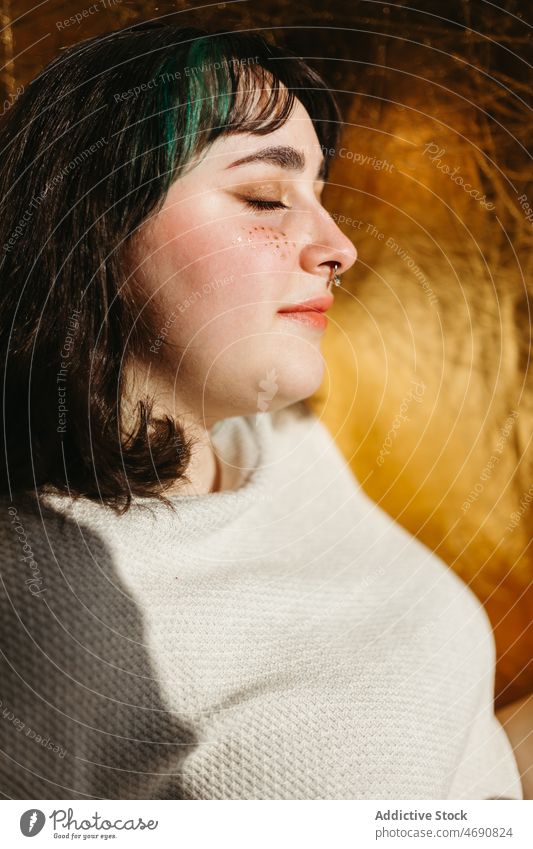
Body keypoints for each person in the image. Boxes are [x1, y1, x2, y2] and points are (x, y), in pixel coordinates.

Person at [0, 22, 524, 800]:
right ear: (89, 226)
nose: (339, 246)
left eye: (321, 193)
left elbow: (449, 769)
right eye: (265, 196)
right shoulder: (47, 605)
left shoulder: (280, 439)